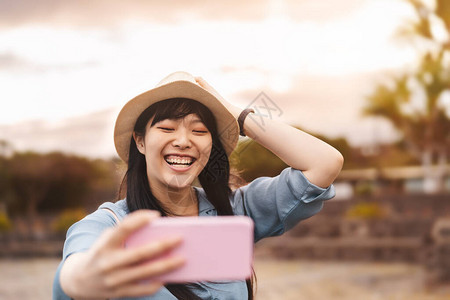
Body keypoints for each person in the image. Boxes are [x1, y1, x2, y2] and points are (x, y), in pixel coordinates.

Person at [53, 71, 343, 299]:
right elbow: (75, 269)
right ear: (140, 141)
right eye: (166, 128)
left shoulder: (235, 210)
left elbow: (324, 164)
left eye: (199, 130)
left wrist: (237, 117)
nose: (183, 141)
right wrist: (82, 280)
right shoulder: (111, 225)